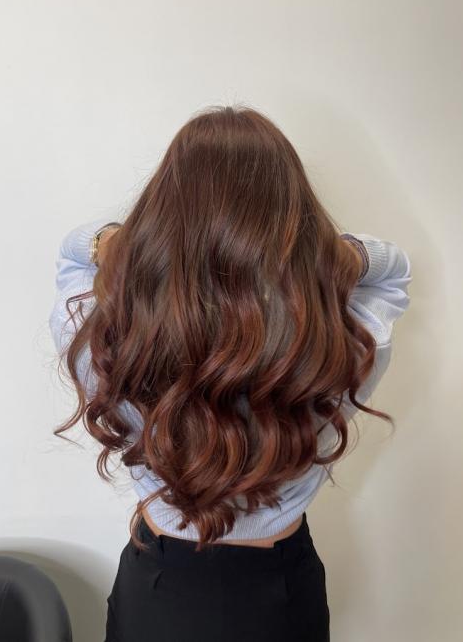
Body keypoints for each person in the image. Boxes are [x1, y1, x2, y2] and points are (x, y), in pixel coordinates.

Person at [49, 105, 412, 641]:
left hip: (157, 588)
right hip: (282, 591)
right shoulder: (349, 343)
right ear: (295, 219)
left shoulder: (97, 339)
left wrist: (121, 242)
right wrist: (327, 256)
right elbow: (394, 268)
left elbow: (73, 253)